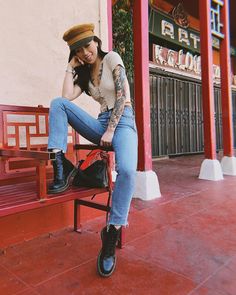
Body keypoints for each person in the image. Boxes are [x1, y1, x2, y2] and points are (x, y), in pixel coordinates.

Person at [47, 23, 138, 277]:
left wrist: (110, 129)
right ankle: (59, 166)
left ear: (95, 41)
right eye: (79, 51)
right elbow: (65, 97)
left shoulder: (112, 58)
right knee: (58, 104)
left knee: (128, 171)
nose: (86, 53)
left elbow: (122, 95)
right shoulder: (85, 75)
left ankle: (111, 234)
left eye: (87, 46)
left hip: (123, 122)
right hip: (100, 124)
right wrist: (70, 67)